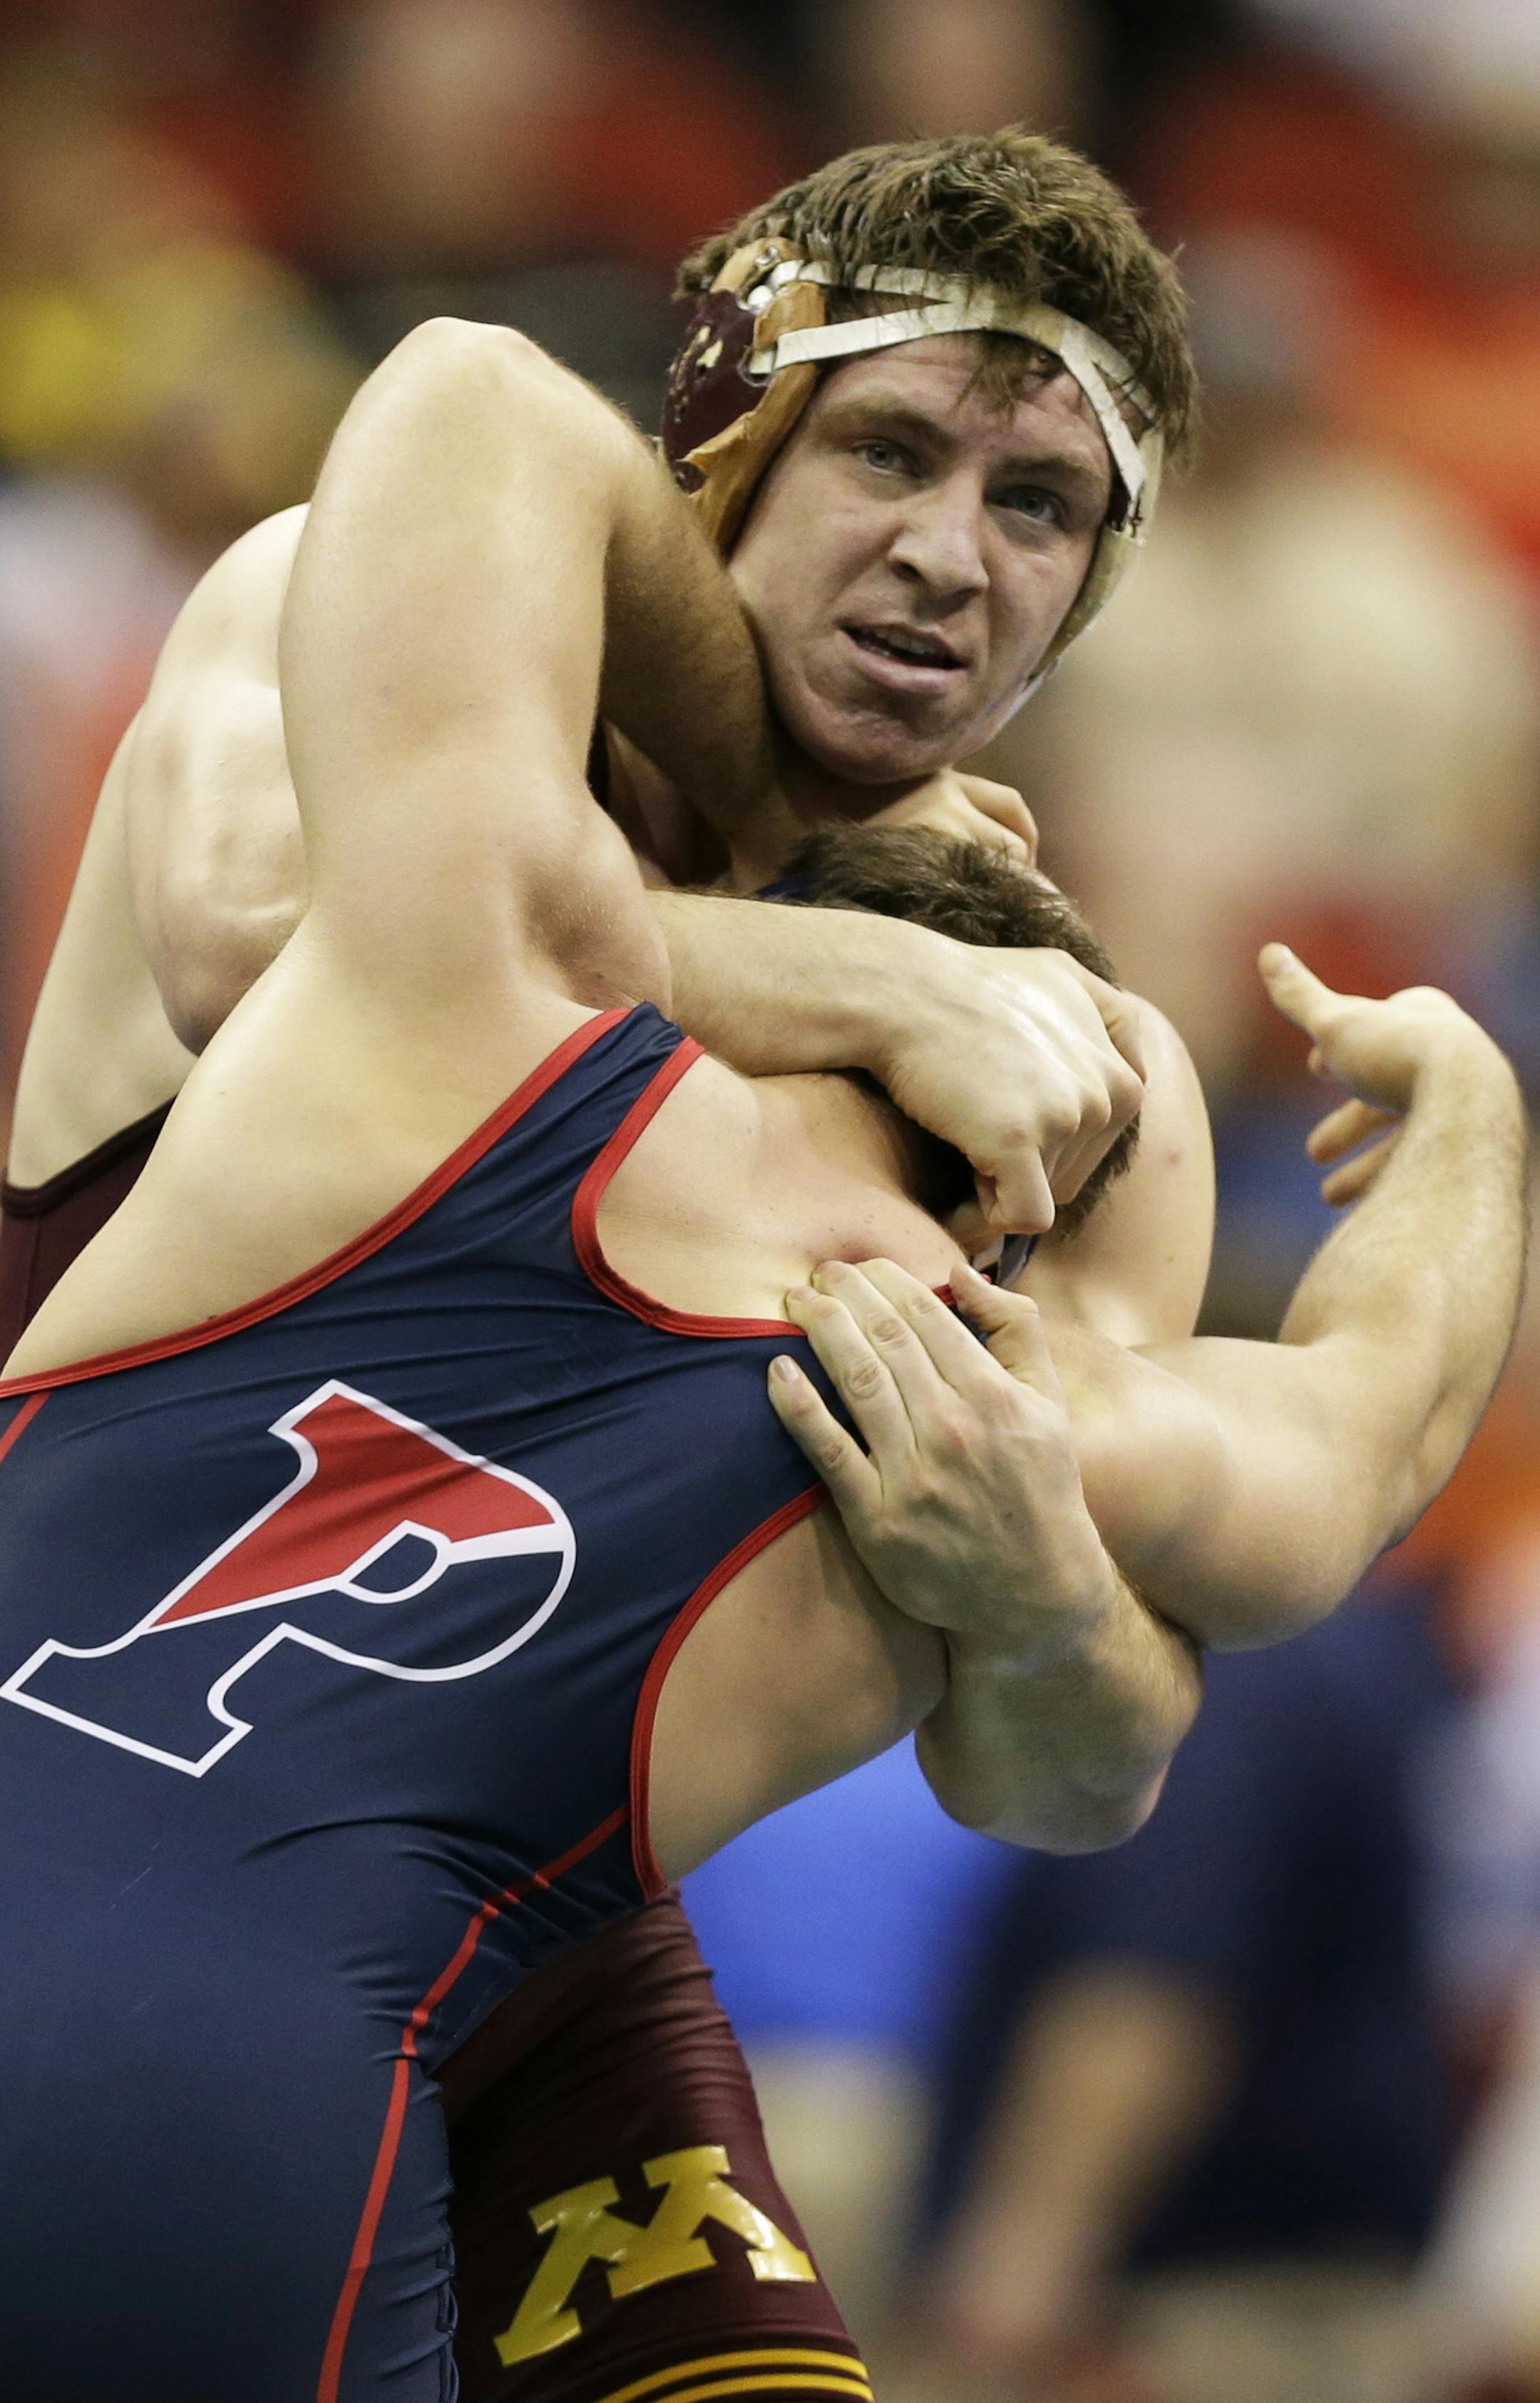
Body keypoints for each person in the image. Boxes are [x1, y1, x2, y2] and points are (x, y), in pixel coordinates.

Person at [2, 132, 1529, 2403]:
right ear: (711, 435)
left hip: (487, 1859)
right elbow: (262, 937)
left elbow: (1080, 1769)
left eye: (1039, 514)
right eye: (891, 451)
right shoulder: (359, 603)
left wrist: (1025, 1597)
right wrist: (857, 960)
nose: (949, 561)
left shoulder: (1004, 1081)